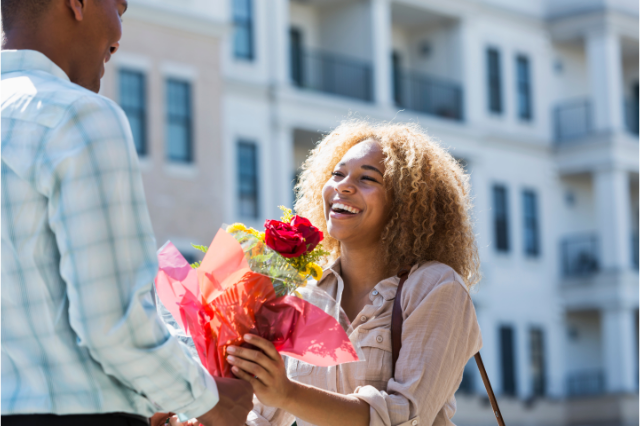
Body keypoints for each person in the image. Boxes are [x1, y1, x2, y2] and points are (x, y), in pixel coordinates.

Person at [1, 1, 253, 425]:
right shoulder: (78, 116)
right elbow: (115, 325)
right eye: (118, 6)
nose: (119, 35)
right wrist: (212, 400)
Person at [226, 121, 482, 426]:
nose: (343, 186)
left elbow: (407, 416)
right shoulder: (304, 292)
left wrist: (288, 394)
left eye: (367, 179)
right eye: (337, 174)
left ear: (404, 204)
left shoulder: (436, 287)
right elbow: (262, 417)